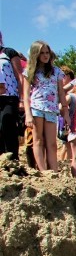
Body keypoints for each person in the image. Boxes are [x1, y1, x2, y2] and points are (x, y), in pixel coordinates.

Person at [23, 40, 69, 172]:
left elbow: (61, 93)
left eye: (47, 52)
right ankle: (43, 171)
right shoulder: (30, 71)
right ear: (35, 54)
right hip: (36, 107)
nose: (45, 55)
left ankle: (54, 171)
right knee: (38, 140)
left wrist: (65, 113)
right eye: (42, 53)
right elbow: (26, 95)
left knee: (52, 143)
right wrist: (28, 114)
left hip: (51, 109)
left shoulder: (56, 71)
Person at [0, 32, 25, 160]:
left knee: (7, 124)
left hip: (9, 96)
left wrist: (22, 99)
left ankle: (13, 159)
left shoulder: (8, 53)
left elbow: (20, 76)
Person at [57, 65, 74, 162]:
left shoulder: (73, 90)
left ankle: (65, 163)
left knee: (68, 143)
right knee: (66, 143)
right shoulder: (60, 90)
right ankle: (63, 163)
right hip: (63, 119)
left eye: (64, 76)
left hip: (70, 118)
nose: (62, 79)